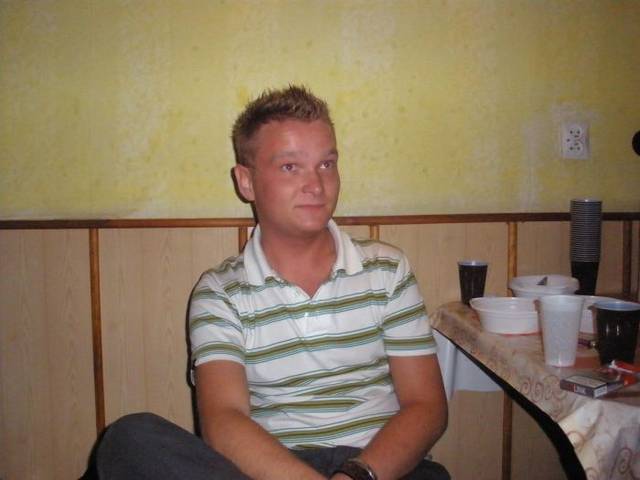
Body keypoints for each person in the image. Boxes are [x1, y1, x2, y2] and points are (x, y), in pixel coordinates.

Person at [93, 85, 449, 480]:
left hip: (377, 468)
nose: (316, 185)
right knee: (130, 438)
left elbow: (427, 407)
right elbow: (223, 420)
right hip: (271, 470)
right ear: (246, 182)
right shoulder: (221, 292)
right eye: (290, 167)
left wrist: (355, 476)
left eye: (326, 164)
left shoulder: (387, 269)